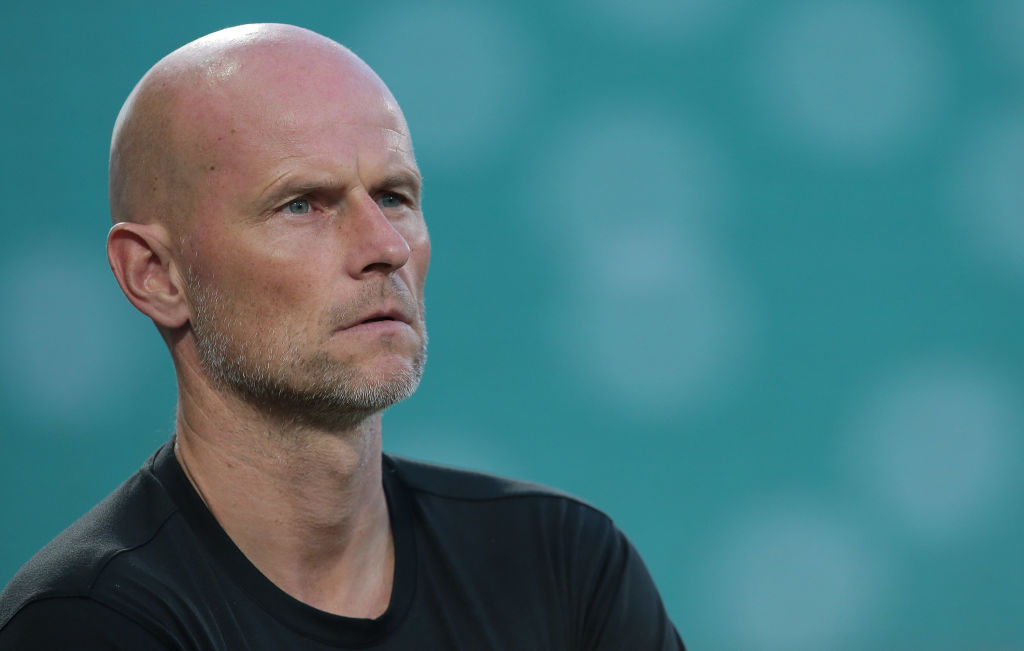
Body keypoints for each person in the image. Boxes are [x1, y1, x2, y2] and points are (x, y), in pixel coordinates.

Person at [0, 23, 684, 650]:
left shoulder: (561, 565)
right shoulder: (89, 621)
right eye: (303, 204)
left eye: (394, 196)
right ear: (157, 275)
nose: (385, 246)